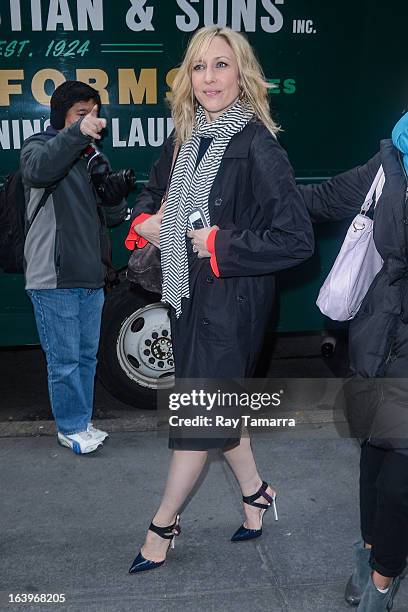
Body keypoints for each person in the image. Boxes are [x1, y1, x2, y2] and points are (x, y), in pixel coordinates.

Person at [125, 26, 314, 573]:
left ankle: (161, 526)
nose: (210, 78)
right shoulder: (185, 137)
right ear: (188, 77)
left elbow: (296, 238)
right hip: (185, 296)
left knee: (197, 418)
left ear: (243, 74)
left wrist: (217, 242)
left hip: (233, 304)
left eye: (222, 66)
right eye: (200, 67)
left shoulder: (259, 145)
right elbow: (151, 190)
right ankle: (256, 496)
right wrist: (147, 220)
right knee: (216, 409)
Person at [299, 112, 408, 611]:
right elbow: (319, 200)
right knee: (376, 452)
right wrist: (237, 202)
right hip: (377, 335)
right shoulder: (390, 164)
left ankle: (383, 579)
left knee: (401, 470)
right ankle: (369, 554)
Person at [20, 81, 129, 455]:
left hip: (90, 275)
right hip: (54, 276)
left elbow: (108, 219)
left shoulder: (93, 158)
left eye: (94, 114)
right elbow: (37, 171)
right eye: (82, 114)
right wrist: (75, 135)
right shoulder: (39, 146)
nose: (91, 121)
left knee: (85, 357)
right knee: (64, 360)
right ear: (61, 118)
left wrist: (114, 196)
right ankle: (69, 427)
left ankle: (80, 422)